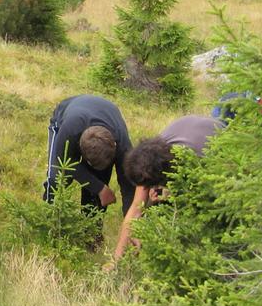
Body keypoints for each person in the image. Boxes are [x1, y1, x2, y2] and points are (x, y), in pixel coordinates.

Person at [110, 113, 226, 265]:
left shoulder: (200, 165)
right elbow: (136, 208)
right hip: (189, 129)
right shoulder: (151, 156)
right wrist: (116, 260)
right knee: (157, 200)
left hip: (220, 148)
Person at [43, 95, 134, 216]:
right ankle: (49, 218)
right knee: (57, 176)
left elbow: (129, 187)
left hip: (106, 115)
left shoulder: (123, 146)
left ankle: (91, 230)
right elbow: (63, 160)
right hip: (66, 115)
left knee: (100, 179)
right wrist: (99, 188)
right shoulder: (70, 130)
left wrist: (131, 224)